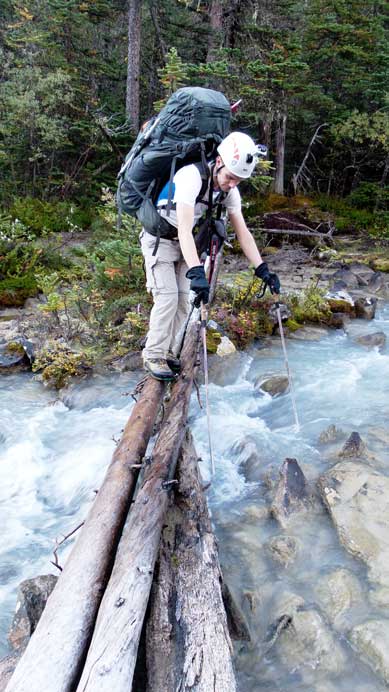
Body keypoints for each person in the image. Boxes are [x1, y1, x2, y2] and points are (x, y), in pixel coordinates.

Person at [140, 131, 280, 381]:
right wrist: (197, 271)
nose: (233, 183)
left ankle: (169, 353)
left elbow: (243, 231)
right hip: (159, 240)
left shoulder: (229, 190)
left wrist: (262, 269)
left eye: (238, 180)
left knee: (185, 300)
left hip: (186, 244)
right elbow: (183, 227)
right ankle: (153, 354)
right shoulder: (190, 177)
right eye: (230, 177)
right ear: (218, 163)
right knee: (168, 297)